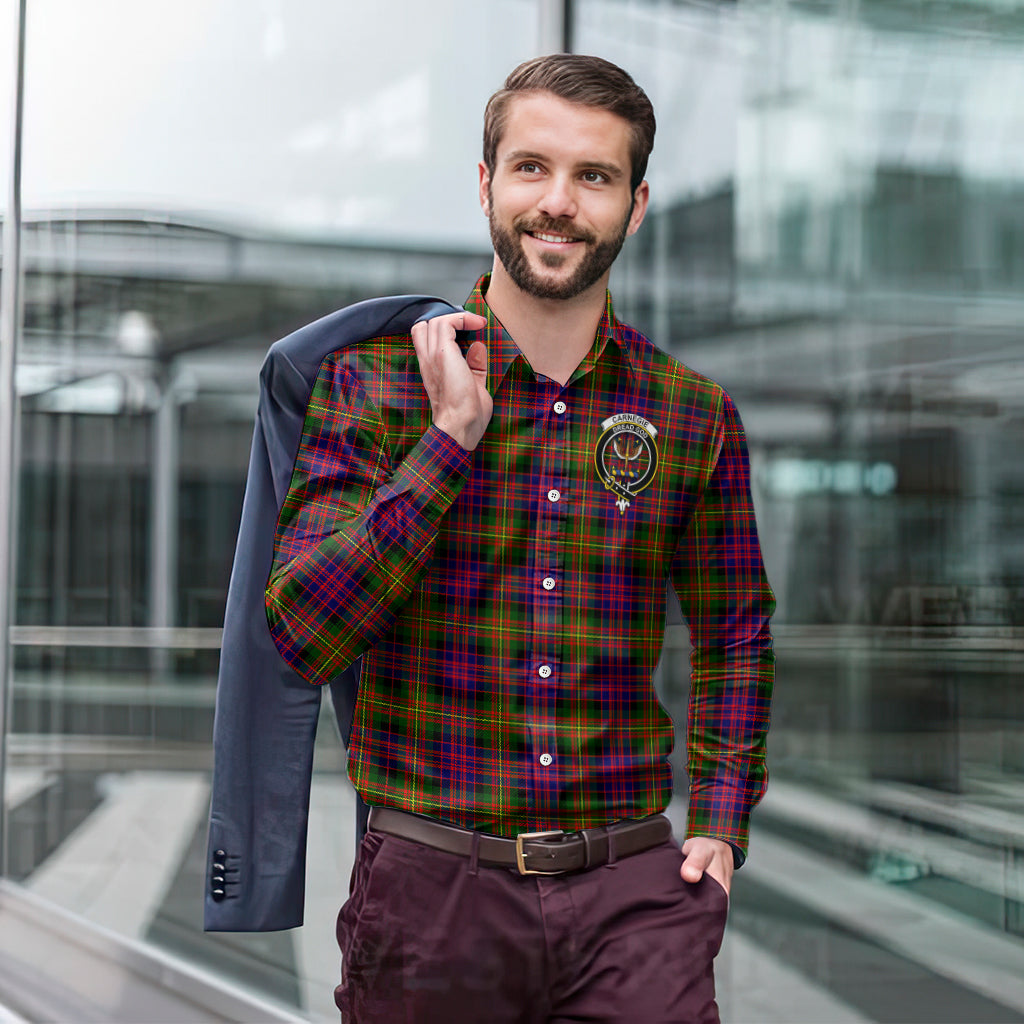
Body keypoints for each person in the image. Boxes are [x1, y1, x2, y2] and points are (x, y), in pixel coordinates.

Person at [264, 53, 775, 1023]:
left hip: (634, 898)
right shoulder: (372, 387)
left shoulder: (691, 413)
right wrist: (450, 440)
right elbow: (301, 631)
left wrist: (718, 818)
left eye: (595, 176)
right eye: (533, 167)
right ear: (487, 182)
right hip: (432, 897)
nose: (559, 202)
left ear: (636, 203)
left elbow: (737, 630)